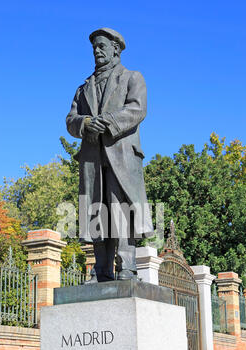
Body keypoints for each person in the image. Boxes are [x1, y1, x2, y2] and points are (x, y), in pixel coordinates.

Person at [66, 28, 153, 282]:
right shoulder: (84, 88)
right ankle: (101, 269)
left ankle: (127, 265)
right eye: (94, 47)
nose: (97, 51)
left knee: (121, 208)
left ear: (116, 48)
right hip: (92, 158)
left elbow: (137, 109)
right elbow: (70, 119)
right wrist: (84, 124)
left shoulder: (132, 78)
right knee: (96, 211)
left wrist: (107, 122)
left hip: (122, 156)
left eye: (102, 46)